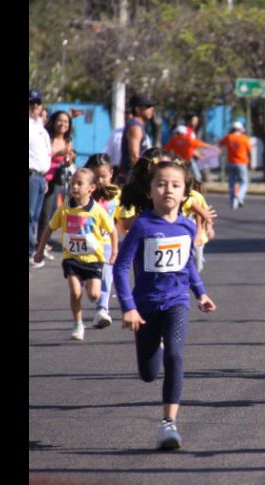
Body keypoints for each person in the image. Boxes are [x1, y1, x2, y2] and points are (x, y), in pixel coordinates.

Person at [113, 155, 217, 450]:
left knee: (175, 355)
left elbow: (187, 265)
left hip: (176, 300)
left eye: (175, 185)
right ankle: (152, 344)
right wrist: (128, 307)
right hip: (144, 306)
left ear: (185, 193)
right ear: (150, 191)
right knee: (148, 374)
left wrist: (201, 293)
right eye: (161, 184)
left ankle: (168, 424)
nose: (168, 190)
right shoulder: (142, 226)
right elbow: (121, 268)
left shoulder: (186, 227)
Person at [33, 168, 119, 341]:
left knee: (94, 295)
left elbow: (112, 230)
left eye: (80, 184)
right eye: (73, 183)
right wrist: (40, 250)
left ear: (91, 188)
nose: (75, 187)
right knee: (75, 292)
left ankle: (88, 282)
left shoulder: (97, 210)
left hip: (94, 259)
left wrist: (114, 251)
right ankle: (78, 324)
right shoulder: (65, 209)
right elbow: (50, 228)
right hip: (71, 258)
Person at [84, 153, 134, 329]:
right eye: (95, 177)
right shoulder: (84, 194)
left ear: (111, 173)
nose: (99, 181)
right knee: (91, 283)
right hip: (85, 244)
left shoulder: (116, 194)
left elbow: (122, 219)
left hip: (106, 243)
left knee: (107, 275)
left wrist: (131, 229)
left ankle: (102, 310)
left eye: (103, 177)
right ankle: (92, 291)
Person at [38, 111, 77, 261]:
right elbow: (43, 155)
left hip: (57, 181)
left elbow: (67, 161)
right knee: (41, 214)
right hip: (43, 178)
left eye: (66, 122)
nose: (63, 124)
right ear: (53, 122)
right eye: (60, 121)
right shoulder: (48, 137)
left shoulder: (68, 140)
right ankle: (39, 243)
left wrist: (68, 159)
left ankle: (42, 243)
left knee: (51, 213)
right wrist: (57, 153)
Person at [29, 89, 53, 268]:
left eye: (37, 103)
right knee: (30, 216)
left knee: (35, 217)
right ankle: (30, 252)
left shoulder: (40, 127)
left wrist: (44, 178)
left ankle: (33, 250)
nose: (34, 106)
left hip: (40, 177)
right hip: (30, 174)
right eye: (31, 103)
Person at [119, 93, 157, 184]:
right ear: (137, 109)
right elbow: (134, 157)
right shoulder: (135, 127)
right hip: (131, 178)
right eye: (148, 106)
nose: (152, 109)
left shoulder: (139, 126)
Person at [181, 181, 216, 273]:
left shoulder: (197, 198)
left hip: (198, 236)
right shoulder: (184, 198)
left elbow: (207, 215)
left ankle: (195, 268)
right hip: (184, 235)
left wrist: (209, 228)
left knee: (198, 264)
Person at [218, 121, 252, 209]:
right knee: (244, 182)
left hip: (231, 162)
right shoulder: (244, 138)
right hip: (242, 162)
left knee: (232, 183)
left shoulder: (229, 137)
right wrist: (250, 162)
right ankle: (240, 196)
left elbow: (220, 143)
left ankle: (233, 202)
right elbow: (249, 150)